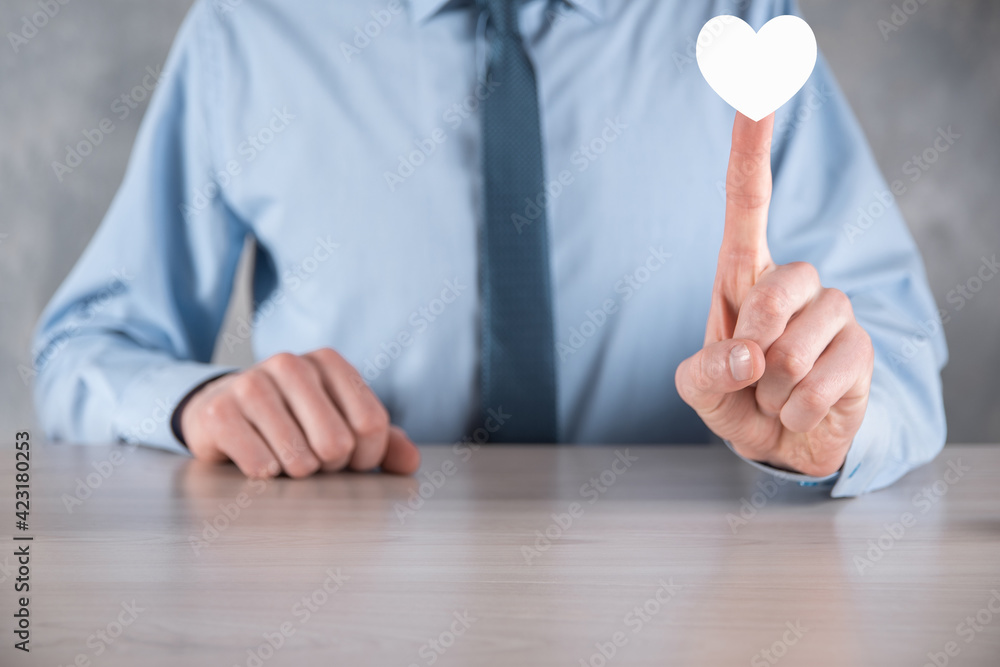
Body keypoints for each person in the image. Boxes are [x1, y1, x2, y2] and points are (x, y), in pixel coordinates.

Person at [32, 0, 947, 497]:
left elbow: (898, 347)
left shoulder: (740, 31)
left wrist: (830, 427)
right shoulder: (245, 32)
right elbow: (83, 349)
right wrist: (198, 403)